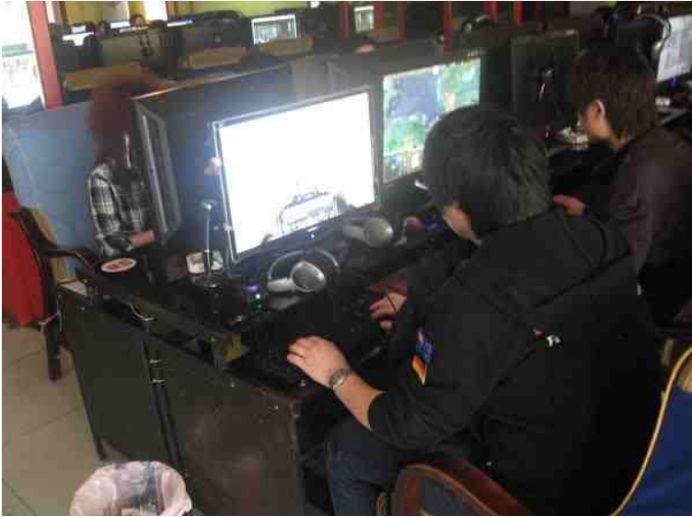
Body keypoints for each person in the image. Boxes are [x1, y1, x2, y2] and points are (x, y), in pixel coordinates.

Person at [288, 106, 660, 515]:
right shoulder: (597, 235)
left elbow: (406, 424)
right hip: (633, 462)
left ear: (457, 209)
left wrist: (337, 373)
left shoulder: (474, 299)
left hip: (536, 501)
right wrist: (429, 320)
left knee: (346, 449)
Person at [554, 45, 692, 323]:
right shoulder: (667, 142)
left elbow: (617, 279)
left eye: (579, 110)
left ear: (597, 110)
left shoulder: (636, 176)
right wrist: (588, 213)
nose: (578, 118)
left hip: (659, 305)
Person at [87, 70, 164, 258]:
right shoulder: (102, 176)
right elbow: (114, 242)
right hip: (133, 262)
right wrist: (160, 232)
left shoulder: (165, 161)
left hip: (169, 254)